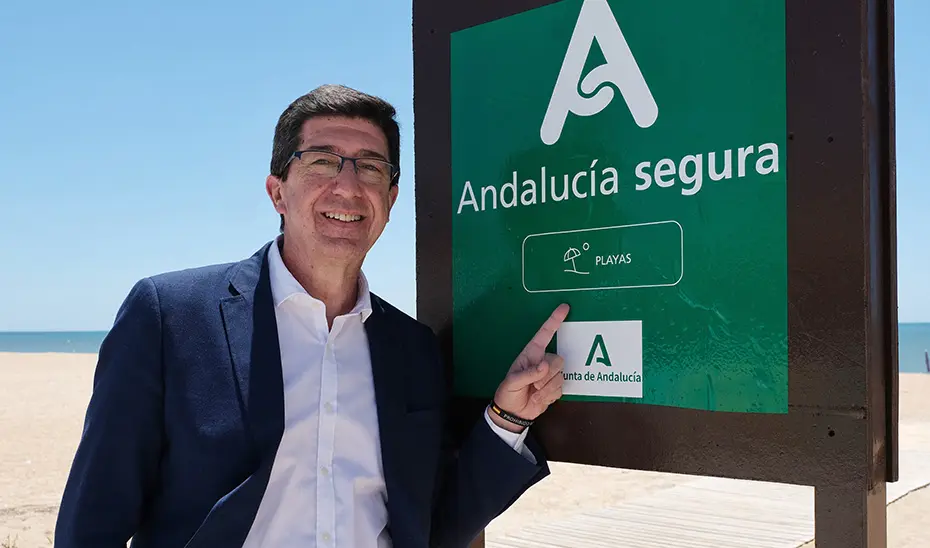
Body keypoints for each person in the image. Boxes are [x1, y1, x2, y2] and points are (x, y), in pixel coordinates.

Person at [54, 84, 569, 548]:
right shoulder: (170, 316)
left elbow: (434, 524)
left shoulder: (412, 347)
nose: (348, 187)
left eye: (370, 167)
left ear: (389, 200)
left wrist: (509, 418)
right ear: (277, 191)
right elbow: (93, 517)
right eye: (323, 161)